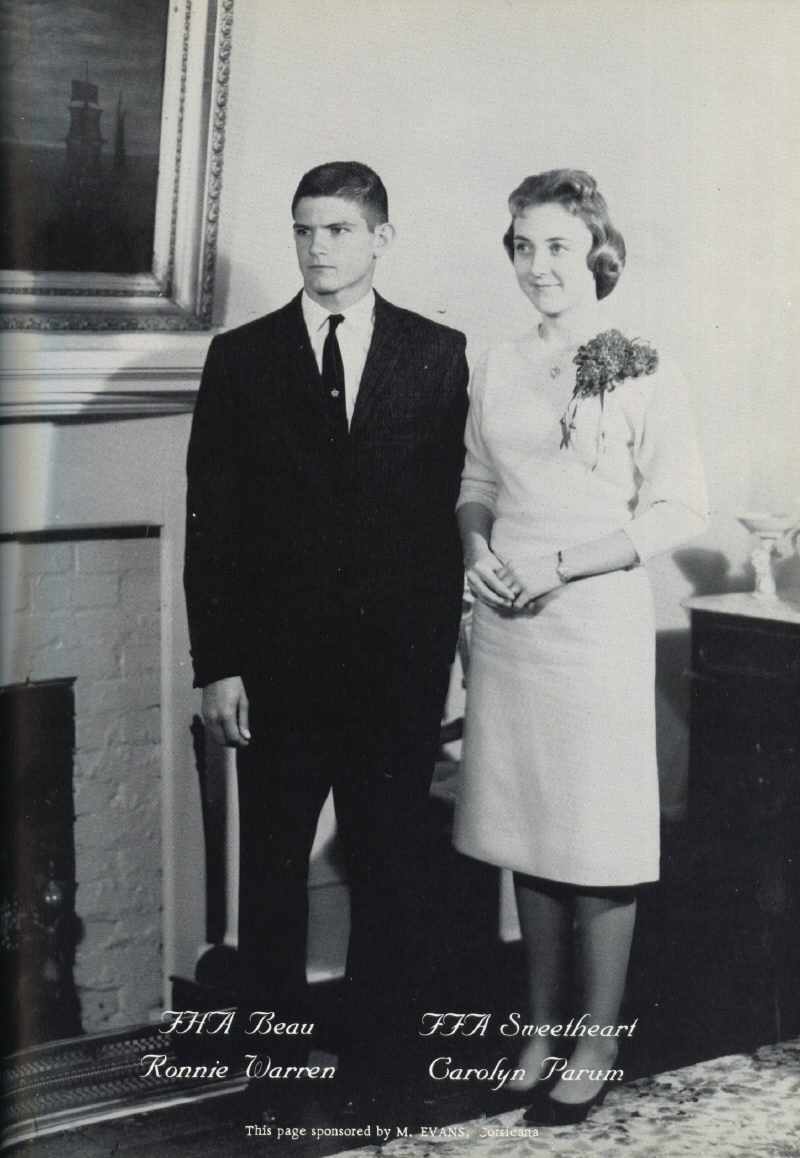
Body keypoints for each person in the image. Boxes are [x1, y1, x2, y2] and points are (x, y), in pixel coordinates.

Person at [184, 162, 469, 1119]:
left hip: (396, 673)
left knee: (391, 868)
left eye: (338, 230)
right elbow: (212, 524)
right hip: (277, 673)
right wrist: (218, 665)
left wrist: (444, 659)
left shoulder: (438, 354)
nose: (317, 248)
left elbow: (446, 522)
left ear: (381, 238)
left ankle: (384, 1068)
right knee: (272, 872)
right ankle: (274, 1069)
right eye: (304, 230)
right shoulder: (242, 357)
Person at [452, 169, 708, 1126]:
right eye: (523, 246)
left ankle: (598, 1040)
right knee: (529, 824)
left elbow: (680, 506)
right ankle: (540, 1028)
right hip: (507, 622)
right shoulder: (499, 363)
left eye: (556, 246)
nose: (537, 265)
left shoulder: (645, 365)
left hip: (592, 622)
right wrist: (477, 549)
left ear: (597, 250)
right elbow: (477, 479)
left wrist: (560, 565)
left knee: (595, 833)